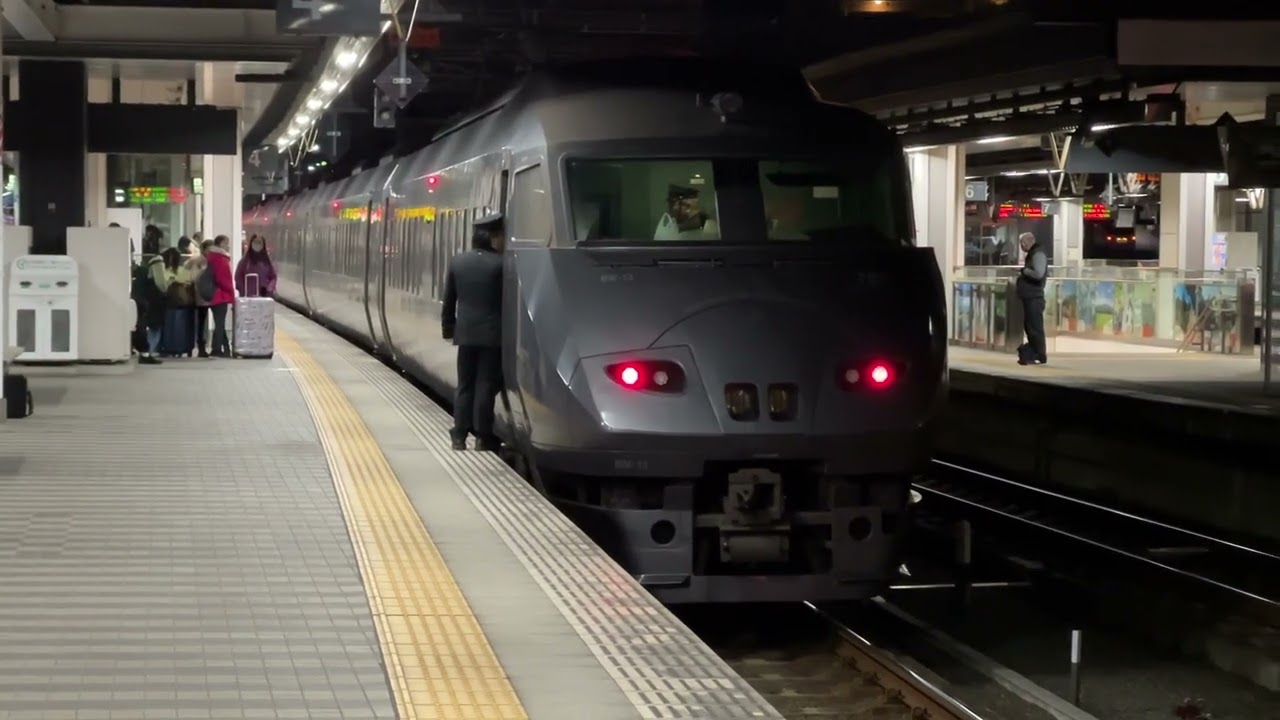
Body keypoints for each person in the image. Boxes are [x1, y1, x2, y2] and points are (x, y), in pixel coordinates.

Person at [442, 213, 505, 452]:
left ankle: (458, 435)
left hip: (465, 334)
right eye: (500, 236)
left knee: (465, 385)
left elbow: (450, 299)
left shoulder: (458, 262)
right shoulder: (501, 265)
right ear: (491, 238)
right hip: (492, 336)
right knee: (485, 386)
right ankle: (483, 436)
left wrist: (448, 328)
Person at [131, 226, 171, 364]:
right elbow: (161, 284)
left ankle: (145, 352)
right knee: (154, 327)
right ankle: (148, 353)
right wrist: (167, 287)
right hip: (153, 300)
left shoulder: (143, 261)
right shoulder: (157, 260)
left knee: (142, 325)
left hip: (141, 297)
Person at [1016, 231, 1049, 366]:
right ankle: (1035, 352)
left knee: (1035, 327)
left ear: (1026, 242)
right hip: (1030, 297)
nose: (1022, 247)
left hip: (1034, 297)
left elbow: (1038, 273)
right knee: (1030, 326)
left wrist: (1024, 271)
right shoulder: (1034, 254)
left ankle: (1039, 354)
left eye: (1022, 244)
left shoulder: (1038, 254)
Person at [205, 235, 237, 357]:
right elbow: (224, 279)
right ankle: (217, 349)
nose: (228, 246)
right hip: (220, 295)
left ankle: (225, 349)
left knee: (219, 323)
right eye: (227, 243)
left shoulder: (212, 257)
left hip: (213, 294)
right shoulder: (221, 258)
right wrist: (232, 294)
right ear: (222, 243)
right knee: (219, 324)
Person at [653, 185, 719, 241]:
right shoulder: (666, 226)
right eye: (673, 203)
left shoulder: (710, 227)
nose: (677, 207)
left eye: (685, 205)